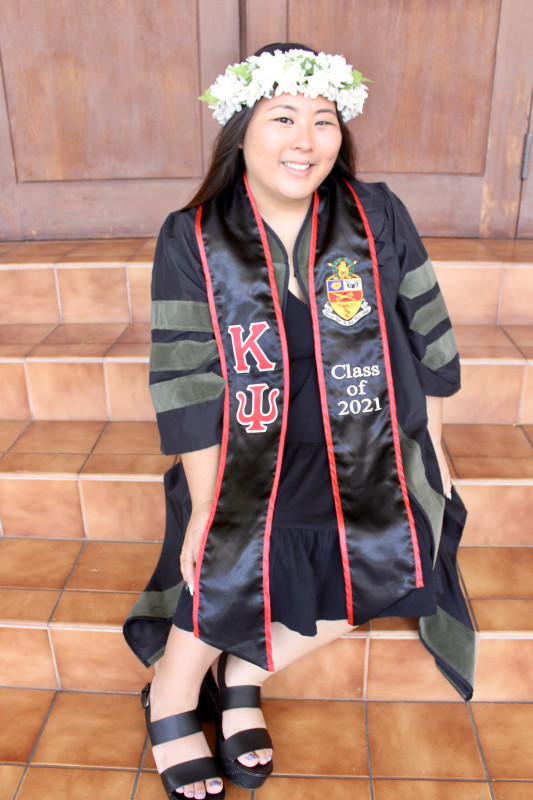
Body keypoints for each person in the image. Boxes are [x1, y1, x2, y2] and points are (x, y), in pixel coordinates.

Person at [124, 42, 476, 800]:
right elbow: (185, 380)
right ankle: (173, 695)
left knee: (398, 545)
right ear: (240, 131)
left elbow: (428, 329)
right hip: (248, 448)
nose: (305, 141)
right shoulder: (191, 235)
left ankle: (245, 674)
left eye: (323, 121)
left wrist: (434, 449)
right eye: (282, 117)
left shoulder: (374, 213)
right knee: (228, 547)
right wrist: (204, 505)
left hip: (368, 438)